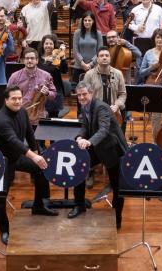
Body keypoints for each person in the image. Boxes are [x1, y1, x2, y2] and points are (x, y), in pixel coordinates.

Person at [0, 86, 58, 244]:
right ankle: (4, 231)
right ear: (6, 100)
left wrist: (37, 152)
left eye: (19, 98)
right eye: (13, 99)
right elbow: (15, 141)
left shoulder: (21, 111)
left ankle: (39, 206)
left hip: (16, 156)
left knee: (41, 169)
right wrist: (33, 156)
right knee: (0, 197)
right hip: (1, 161)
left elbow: (29, 133)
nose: (17, 101)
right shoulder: (1, 119)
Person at [69, 84, 127, 228]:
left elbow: (104, 130)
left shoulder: (101, 107)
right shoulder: (84, 106)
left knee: (117, 185)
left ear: (91, 93)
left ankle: (117, 218)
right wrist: (79, 138)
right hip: (96, 147)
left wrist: (89, 141)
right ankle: (79, 204)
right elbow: (84, 126)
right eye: (79, 95)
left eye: (84, 94)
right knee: (79, 169)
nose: (81, 98)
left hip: (111, 148)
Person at [7, 47, 57, 126]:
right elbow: (7, 96)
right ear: (23, 60)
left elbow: (53, 95)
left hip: (39, 117)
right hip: (20, 117)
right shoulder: (15, 76)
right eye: (27, 58)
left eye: (32, 58)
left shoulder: (46, 76)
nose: (29, 60)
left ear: (37, 60)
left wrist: (47, 93)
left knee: (38, 139)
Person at [80, 47, 127, 121]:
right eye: (101, 56)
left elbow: (123, 94)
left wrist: (117, 105)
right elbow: (85, 95)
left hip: (114, 113)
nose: (104, 57)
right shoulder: (89, 75)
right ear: (97, 59)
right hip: (95, 114)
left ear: (110, 58)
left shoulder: (118, 74)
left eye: (107, 55)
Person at [38, 35, 69, 118]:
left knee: (52, 118)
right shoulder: (38, 59)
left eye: (51, 44)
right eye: (46, 43)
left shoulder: (57, 58)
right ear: (43, 45)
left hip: (54, 91)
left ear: (54, 45)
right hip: (39, 92)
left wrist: (63, 57)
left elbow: (64, 70)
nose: (48, 45)